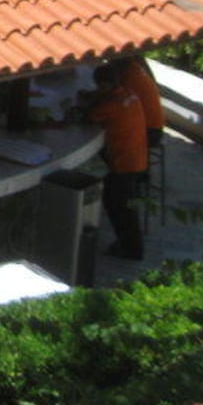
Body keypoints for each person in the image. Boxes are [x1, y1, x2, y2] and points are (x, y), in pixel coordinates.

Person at [86, 63, 148, 260]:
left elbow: (90, 117)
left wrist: (91, 100)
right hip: (138, 158)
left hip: (123, 162)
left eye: (99, 85)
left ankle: (131, 248)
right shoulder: (129, 94)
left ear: (105, 85)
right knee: (126, 207)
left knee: (118, 206)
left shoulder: (111, 104)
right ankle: (130, 245)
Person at [119, 55, 166, 147]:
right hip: (156, 129)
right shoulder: (138, 69)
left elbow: (115, 102)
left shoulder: (128, 76)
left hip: (149, 132)